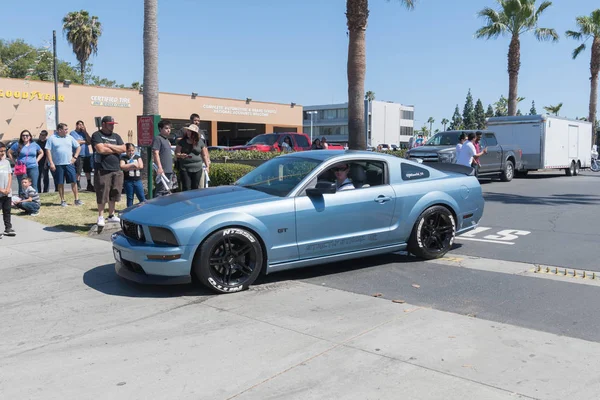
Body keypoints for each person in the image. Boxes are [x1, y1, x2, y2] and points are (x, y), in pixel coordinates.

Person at [91, 116, 126, 227]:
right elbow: (101, 150)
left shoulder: (116, 136)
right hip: (103, 169)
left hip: (116, 169)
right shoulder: (97, 135)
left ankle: (111, 215)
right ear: (104, 124)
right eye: (110, 124)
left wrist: (109, 146)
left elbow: (124, 149)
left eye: (113, 124)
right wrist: (116, 149)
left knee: (114, 193)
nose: (112, 126)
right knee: (102, 193)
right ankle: (101, 216)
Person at [45, 123, 83, 207]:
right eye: (65, 129)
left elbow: (78, 147)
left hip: (69, 163)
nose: (67, 131)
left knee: (74, 181)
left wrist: (75, 157)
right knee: (60, 182)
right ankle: (62, 200)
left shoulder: (69, 137)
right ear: (59, 130)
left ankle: (77, 199)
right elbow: (48, 150)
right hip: (58, 164)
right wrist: (51, 163)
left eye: (67, 129)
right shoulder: (52, 138)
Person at [8, 129, 43, 196]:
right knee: (22, 185)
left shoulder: (34, 144)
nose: (25, 137)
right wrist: (14, 162)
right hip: (21, 168)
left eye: (27, 135)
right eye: (23, 135)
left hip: (33, 167)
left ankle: (34, 200)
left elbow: (41, 152)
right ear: (21, 137)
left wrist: (37, 160)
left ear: (30, 137)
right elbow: (9, 152)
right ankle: (21, 201)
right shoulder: (17, 144)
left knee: (34, 184)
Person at [175, 124, 210, 191]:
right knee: (186, 187)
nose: (188, 132)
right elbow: (177, 153)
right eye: (188, 131)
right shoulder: (182, 141)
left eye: (190, 131)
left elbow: (204, 155)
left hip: (198, 168)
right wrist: (181, 155)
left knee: (195, 188)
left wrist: (207, 166)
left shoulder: (200, 142)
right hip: (185, 168)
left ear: (195, 133)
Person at [70, 120, 94, 192]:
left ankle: (89, 184)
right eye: (80, 124)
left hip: (86, 154)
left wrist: (85, 132)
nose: (81, 126)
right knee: (78, 171)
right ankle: (77, 184)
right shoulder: (73, 133)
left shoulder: (84, 133)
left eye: (82, 125)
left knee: (88, 171)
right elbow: (76, 142)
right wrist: (85, 141)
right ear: (76, 125)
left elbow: (90, 141)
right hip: (78, 155)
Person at [152, 119, 175, 195]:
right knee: (160, 191)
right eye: (166, 128)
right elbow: (156, 153)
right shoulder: (158, 139)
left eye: (169, 128)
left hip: (169, 170)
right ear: (160, 129)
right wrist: (159, 167)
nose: (168, 130)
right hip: (162, 171)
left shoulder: (167, 140)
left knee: (166, 192)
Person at [120, 143, 145, 207]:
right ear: (126, 151)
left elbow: (141, 166)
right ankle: (129, 210)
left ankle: (144, 209)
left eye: (132, 150)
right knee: (130, 197)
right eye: (129, 151)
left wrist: (128, 167)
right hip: (128, 181)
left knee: (142, 197)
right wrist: (133, 164)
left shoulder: (137, 157)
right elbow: (122, 166)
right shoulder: (123, 158)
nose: (131, 152)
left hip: (137, 180)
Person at [0, 142, 15, 238]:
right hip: (1, 191)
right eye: (0, 151)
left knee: (7, 211)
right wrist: (1, 190)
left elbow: (10, 175)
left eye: (4, 151)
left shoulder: (6, 162)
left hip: (7, 192)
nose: (2, 153)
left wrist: (8, 188)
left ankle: (8, 228)